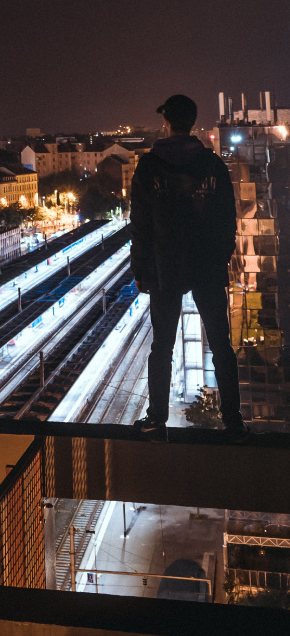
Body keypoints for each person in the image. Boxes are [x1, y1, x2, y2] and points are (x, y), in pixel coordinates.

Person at [130, 93, 249, 443]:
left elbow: (140, 226)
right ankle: (234, 422)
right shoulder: (212, 165)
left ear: (166, 122)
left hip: (165, 266)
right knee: (221, 345)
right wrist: (219, 258)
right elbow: (229, 220)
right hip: (207, 266)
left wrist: (143, 270)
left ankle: (156, 420)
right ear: (193, 122)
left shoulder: (149, 167)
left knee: (161, 347)